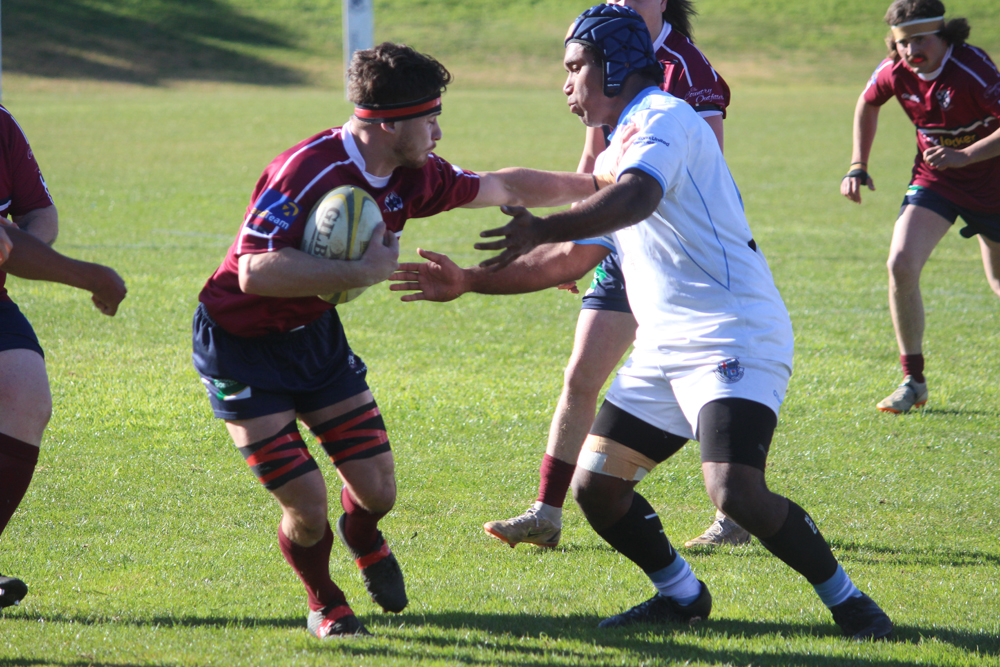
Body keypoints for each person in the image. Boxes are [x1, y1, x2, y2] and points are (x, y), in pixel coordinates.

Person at [390, 5, 893, 639]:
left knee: (735, 491)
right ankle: (682, 597)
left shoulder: (662, 118)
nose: (566, 84)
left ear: (616, 65)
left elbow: (638, 198)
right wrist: (468, 281)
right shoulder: (620, 145)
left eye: (575, 67)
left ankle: (852, 605)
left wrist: (548, 224)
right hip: (663, 347)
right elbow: (566, 260)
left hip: (732, 333)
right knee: (596, 487)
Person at [191, 42, 600, 639]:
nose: (438, 132)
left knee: (378, 491)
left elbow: (501, 185)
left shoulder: (414, 175)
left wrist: (599, 183)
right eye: (429, 118)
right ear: (387, 123)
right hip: (239, 345)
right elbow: (254, 270)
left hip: (314, 340)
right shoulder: (305, 168)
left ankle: (363, 535)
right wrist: (358, 271)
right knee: (306, 504)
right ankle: (325, 602)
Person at [481, 0, 749, 552]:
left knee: (706, 383)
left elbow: (705, 168)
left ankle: (736, 510)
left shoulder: (686, 68)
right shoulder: (600, 49)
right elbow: (593, 159)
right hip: (616, 239)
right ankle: (546, 513)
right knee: (581, 375)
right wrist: (571, 241)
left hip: (678, 255)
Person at [841, 0, 1000, 413]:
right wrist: (858, 164)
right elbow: (867, 102)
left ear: (943, 36)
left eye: (921, 40)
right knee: (900, 263)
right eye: (903, 43)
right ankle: (913, 381)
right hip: (937, 181)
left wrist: (966, 155)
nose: (911, 50)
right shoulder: (895, 70)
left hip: (993, 185)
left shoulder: (972, 69)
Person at [0, 106, 127, 609]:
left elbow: (38, 214)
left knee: (26, 395)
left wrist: (26, 250)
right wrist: (89, 276)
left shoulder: (2, 125)